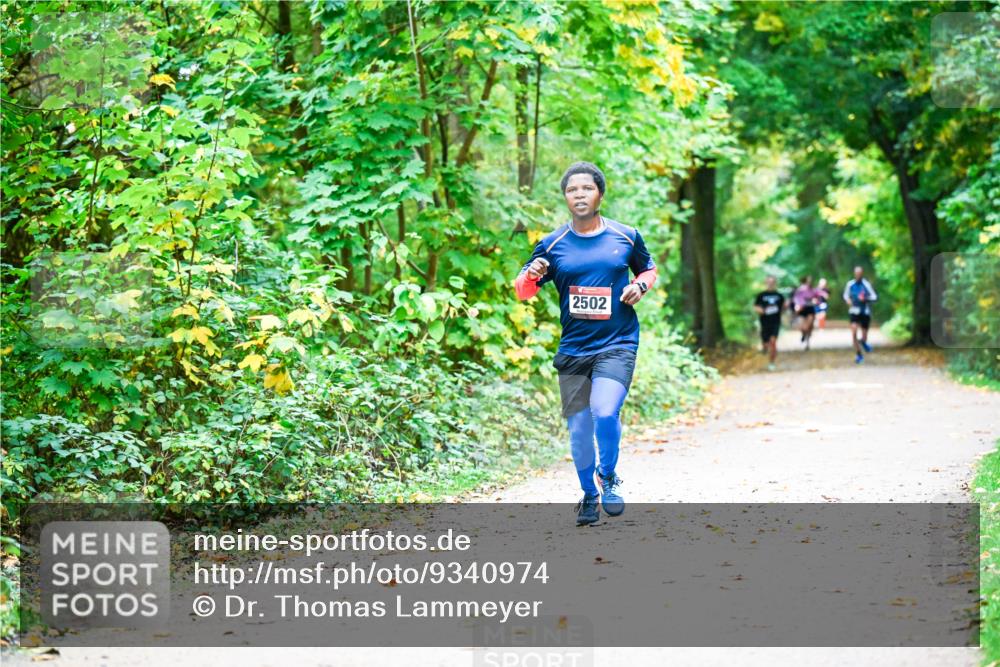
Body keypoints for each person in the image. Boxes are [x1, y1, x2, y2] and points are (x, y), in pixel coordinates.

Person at [514, 162, 657, 526]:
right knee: (579, 432)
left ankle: (608, 477)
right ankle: (589, 495)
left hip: (618, 342)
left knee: (605, 411)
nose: (579, 194)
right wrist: (530, 274)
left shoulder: (626, 236)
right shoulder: (552, 243)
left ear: (599, 194)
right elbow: (522, 291)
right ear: (565, 197)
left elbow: (648, 269)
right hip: (575, 350)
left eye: (586, 188)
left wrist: (639, 286)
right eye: (572, 189)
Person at [843, 266, 878, 364]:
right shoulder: (850, 284)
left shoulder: (866, 285)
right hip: (854, 311)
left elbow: (874, 297)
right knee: (853, 332)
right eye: (856, 273)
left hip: (865, 312)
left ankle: (863, 342)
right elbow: (845, 295)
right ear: (854, 274)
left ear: (862, 274)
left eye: (859, 273)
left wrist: (865, 298)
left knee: (864, 336)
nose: (858, 275)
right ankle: (858, 354)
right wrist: (848, 300)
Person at [753, 276, 784, 371]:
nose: (770, 284)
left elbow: (783, 307)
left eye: (772, 282)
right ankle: (764, 347)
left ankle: (771, 363)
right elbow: (755, 307)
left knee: (773, 342)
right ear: (765, 283)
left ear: (775, 283)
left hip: (775, 322)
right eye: (768, 282)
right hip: (764, 323)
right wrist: (761, 310)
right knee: (766, 344)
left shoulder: (779, 295)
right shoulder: (761, 295)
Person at [791, 276, 817, 350]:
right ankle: (803, 334)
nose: (809, 282)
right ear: (805, 281)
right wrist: (798, 306)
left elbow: (817, 297)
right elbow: (796, 298)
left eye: (810, 280)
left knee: (809, 326)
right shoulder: (800, 289)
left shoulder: (813, 290)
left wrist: (815, 300)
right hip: (802, 309)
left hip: (810, 309)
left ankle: (807, 343)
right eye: (808, 280)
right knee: (803, 327)